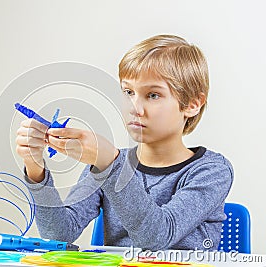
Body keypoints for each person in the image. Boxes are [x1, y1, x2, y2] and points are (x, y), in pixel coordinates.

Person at [15, 34, 233, 251]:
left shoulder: (212, 171)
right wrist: (36, 170)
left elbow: (156, 238)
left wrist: (110, 163)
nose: (134, 108)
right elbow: (59, 235)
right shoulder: (109, 164)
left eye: (153, 95)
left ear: (193, 104)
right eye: (128, 92)